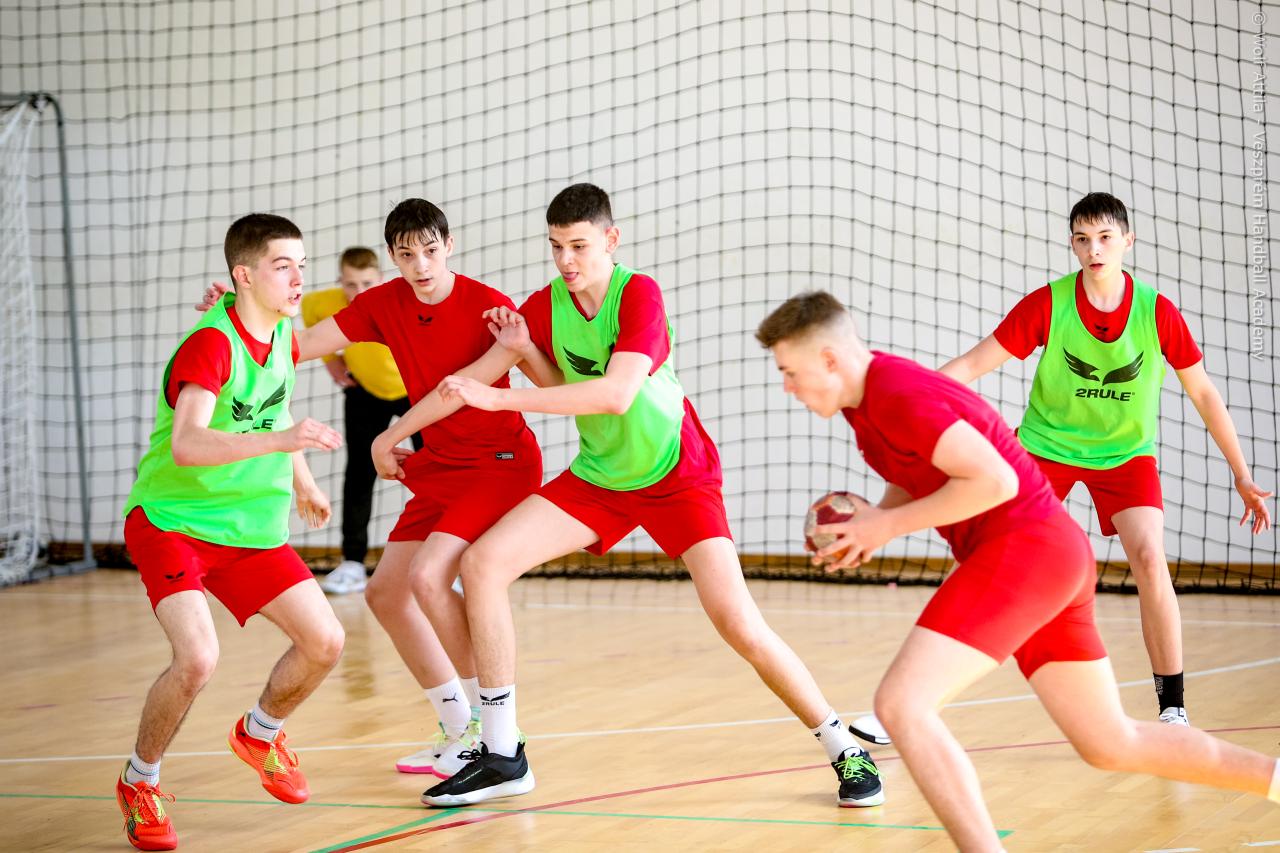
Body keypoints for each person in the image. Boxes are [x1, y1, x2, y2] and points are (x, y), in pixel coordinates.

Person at [755, 289, 1280, 852]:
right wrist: (874, 523)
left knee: (901, 705)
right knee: (1110, 743)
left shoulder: (898, 393)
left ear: (829, 359)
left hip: (1022, 552)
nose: (787, 387)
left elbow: (995, 481)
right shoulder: (867, 405)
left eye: (790, 372)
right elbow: (919, 472)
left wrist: (884, 527)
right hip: (1050, 556)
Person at [417, 183, 884, 810]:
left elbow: (614, 395)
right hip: (601, 477)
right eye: (555, 246)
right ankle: (503, 753)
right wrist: (516, 356)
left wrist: (501, 397)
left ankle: (842, 746)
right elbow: (531, 385)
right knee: (482, 564)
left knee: (740, 625)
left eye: (579, 245)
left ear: (610, 239)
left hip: (678, 477)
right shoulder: (545, 307)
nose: (566, 260)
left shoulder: (639, 293)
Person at [200, 199, 543, 780]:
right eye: (407, 255)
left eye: (430, 251)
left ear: (449, 245)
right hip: (440, 467)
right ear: (392, 257)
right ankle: (458, 728)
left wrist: (389, 437)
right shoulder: (383, 303)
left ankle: (495, 737)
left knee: (428, 578)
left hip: (498, 464)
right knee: (385, 594)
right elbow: (296, 345)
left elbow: (457, 389)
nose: (421, 265)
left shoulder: (488, 305)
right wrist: (234, 314)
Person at [939, 192, 1273, 726]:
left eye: (1104, 237)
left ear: (1127, 241)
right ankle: (923, 691)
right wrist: (910, 392)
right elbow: (974, 363)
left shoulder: (1156, 312)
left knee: (1149, 558)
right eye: (1082, 239)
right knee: (983, 551)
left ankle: (1173, 709)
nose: (1093, 249)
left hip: (1125, 456)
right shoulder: (1048, 303)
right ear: (1072, 245)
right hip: (1047, 448)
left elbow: (1205, 394)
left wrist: (1242, 474)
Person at [117, 214, 345, 851]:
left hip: (250, 528)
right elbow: (188, 443)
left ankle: (260, 732)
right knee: (197, 658)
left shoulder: (281, 333)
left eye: (302, 265)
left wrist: (302, 479)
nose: (298, 279)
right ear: (244, 275)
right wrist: (286, 442)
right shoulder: (211, 345)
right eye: (282, 266)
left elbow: (274, 407)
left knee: (325, 641)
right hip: (174, 523)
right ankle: (139, 781)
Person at [300, 246, 423, 595]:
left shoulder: (405, 299)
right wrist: (331, 361)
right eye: (350, 284)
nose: (358, 292)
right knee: (359, 473)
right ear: (341, 281)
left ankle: (444, 561)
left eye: (367, 283)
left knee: (434, 470)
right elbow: (310, 318)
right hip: (365, 392)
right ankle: (353, 563)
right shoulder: (322, 303)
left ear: (380, 278)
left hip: (417, 392)